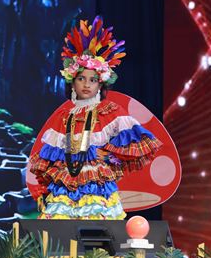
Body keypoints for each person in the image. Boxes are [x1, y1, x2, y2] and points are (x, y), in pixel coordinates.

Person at [28, 17, 163, 220]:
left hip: (96, 185)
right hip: (65, 185)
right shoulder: (64, 117)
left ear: (101, 84)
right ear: (72, 82)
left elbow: (134, 144)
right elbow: (49, 159)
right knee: (60, 228)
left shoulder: (110, 111)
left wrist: (109, 156)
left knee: (97, 227)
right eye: (81, 79)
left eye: (92, 80)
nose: (86, 84)